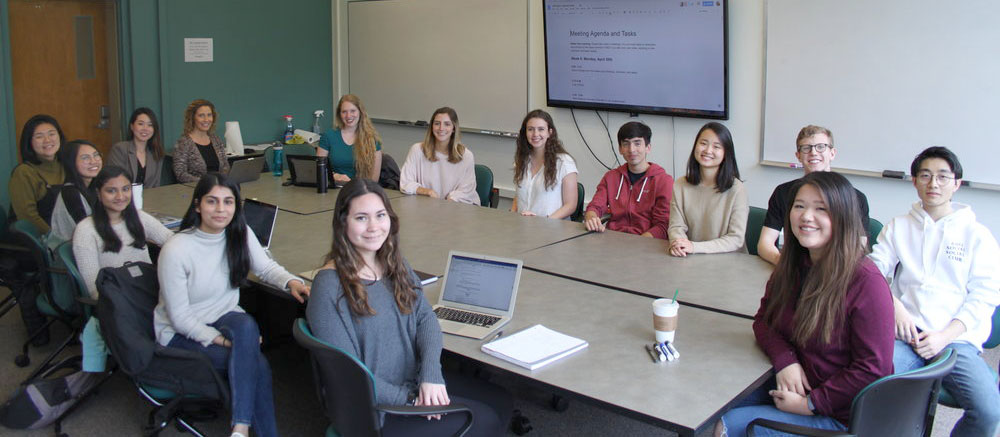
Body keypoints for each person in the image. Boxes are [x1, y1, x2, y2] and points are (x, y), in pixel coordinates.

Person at [306, 179, 512, 437]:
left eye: (380, 215)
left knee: (501, 400)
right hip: (376, 410)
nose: (373, 227)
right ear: (342, 223)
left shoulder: (392, 263)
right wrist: (413, 400)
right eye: (361, 218)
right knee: (486, 421)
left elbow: (426, 318)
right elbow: (350, 375)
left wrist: (431, 374)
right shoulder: (329, 288)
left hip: (411, 380)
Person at [717, 171, 894, 437]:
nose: (806, 216)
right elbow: (764, 321)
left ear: (843, 216)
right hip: (799, 381)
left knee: (727, 426)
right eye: (799, 206)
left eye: (820, 209)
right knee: (718, 398)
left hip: (842, 416)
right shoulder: (793, 264)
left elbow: (872, 370)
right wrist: (786, 361)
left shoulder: (865, 281)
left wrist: (811, 404)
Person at [154, 173, 310, 437]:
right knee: (257, 364)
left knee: (247, 324)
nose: (220, 209)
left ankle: (240, 427)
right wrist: (222, 341)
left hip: (224, 315)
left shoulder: (239, 233)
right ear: (197, 205)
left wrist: (291, 281)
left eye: (228, 202)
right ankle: (242, 427)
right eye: (212, 201)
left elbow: (266, 268)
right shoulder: (177, 249)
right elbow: (179, 318)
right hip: (180, 332)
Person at [869, 147, 1000, 437]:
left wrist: (944, 336)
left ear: (957, 183)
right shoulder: (898, 226)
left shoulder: (977, 235)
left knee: (990, 412)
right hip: (905, 334)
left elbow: (985, 296)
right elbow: (872, 274)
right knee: (868, 388)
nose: (933, 183)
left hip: (955, 341)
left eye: (943, 176)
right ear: (914, 181)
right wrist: (896, 307)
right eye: (925, 175)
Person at [72, 165, 174, 373]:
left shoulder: (138, 218)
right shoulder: (86, 230)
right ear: (98, 194)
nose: (121, 196)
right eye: (112, 190)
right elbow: (94, 287)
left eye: (126, 189)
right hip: (118, 300)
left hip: (146, 289)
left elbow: (172, 242)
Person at [757, 125, 870, 265]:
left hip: (835, 272)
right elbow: (765, 244)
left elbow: (859, 248)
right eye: (806, 148)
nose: (813, 152)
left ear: (832, 153)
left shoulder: (855, 198)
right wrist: (786, 267)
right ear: (798, 156)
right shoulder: (783, 192)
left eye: (821, 147)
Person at [668, 122, 748, 256]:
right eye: (703, 143)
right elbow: (676, 227)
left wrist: (694, 247)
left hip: (730, 262)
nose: (708, 150)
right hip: (689, 259)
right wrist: (678, 244)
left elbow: (736, 239)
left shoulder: (737, 189)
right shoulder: (680, 184)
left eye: (716, 146)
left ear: (726, 153)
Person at [583, 121, 672, 238]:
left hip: (646, 243)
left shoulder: (663, 181)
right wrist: (591, 217)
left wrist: (638, 243)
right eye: (626, 144)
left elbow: (663, 225)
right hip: (612, 240)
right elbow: (595, 206)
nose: (631, 149)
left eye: (637, 143)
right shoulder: (611, 177)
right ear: (620, 149)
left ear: (648, 148)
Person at [399, 107, 479, 204]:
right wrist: (428, 192)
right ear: (432, 127)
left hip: (458, 208)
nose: (441, 128)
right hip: (427, 207)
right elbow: (406, 183)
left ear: (454, 128)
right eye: (437, 123)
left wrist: (445, 205)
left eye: (447, 124)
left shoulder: (466, 156)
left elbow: (466, 191)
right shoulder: (417, 150)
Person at [511, 109, 578, 219]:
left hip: (551, 229)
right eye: (530, 129)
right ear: (525, 132)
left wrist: (545, 222)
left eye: (541, 129)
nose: (535, 134)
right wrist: (512, 215)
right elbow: (518, 196)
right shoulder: (522, 159)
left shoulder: (564, 162)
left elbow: (570, 205)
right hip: (522, 227)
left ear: (549, 133)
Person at [9, 114, 67, 234]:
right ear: (29, 142)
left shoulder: (68, 165)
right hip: (34, 241)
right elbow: (27, 217)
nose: (47, 140)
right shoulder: (24, 172)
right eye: (39, 136)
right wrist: (56, 239)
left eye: (52, 134)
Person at [316, 94, 382, 183]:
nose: (348, 115)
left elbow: (374, 180)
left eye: (353, 111)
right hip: (334, 189)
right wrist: (335, 175)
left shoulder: (372, 139)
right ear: (339, 114)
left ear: (360, 112)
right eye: (344, 112)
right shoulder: (328, 136)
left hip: (361, 190)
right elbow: (319, 170)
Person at [50, 140, 103, 242]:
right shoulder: (71, 193)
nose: (93, 161)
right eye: (85, 158)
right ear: (71, 163)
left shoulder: (93, 186)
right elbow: (87, 232)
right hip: (70, 251)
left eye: (96, 155)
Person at [172, 99, 229, 183]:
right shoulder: (184, 142)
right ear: (193, 118)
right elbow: (180, 174)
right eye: (201, 115)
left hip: (218, 187)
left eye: (209, 115)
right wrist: (206, 182)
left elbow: (225, 166)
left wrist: (221, 180)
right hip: (196, 189)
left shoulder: (215, 139)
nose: (206, 119)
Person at [108, 107, 165, 188]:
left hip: (149, 197)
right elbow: (115, 181)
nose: (145, 129)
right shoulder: (120, 149)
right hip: (123, 198)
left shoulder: (156, 153)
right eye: (140, 124)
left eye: (150, 125)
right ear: (132, 126)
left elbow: (156, 184)